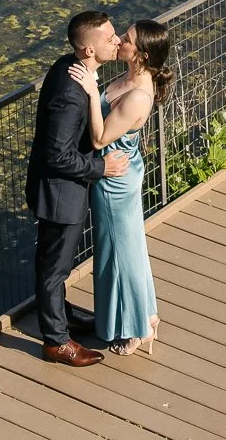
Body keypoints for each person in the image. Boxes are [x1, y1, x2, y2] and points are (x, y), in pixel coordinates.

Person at [24, 10, 130, 366]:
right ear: (89, 50)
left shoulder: (68, 66)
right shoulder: (71, 93)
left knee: (53, 262)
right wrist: (101, 167)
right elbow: (57, 155)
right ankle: (56, 342)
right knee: (55, 268)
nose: (117, 41)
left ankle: (62, 315)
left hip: (58, 189)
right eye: (110, 38)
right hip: (60, 194)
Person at [70, 18, 173, 355]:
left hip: (115, 180)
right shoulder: (130, 77)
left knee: (119, 252)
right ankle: (147, 315)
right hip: (116, 172)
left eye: (126, 39)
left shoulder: (139, 95)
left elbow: (100, 139)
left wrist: (90, 91)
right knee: (127, 248)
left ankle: (135, 329)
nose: (118, 41)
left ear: (141, 55)